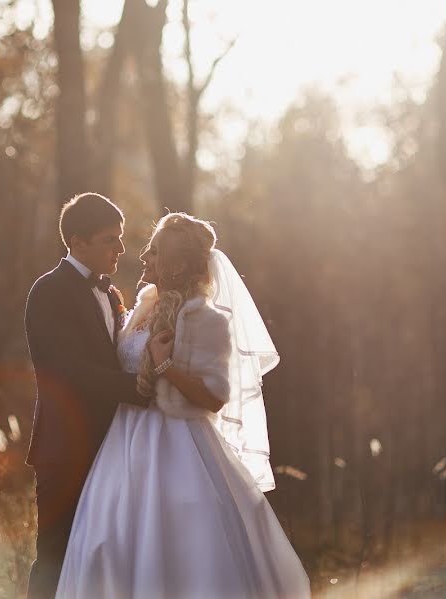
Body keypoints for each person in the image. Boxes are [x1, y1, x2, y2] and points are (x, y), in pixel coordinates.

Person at [56, 212, 311, 598]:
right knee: (107, 541)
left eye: (154, 251)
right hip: (123, 442)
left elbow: (214, 397)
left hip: (178, 444)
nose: (143, 257)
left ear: (175, 265)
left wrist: (165, 367)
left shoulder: (206, 320)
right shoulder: (139, 309)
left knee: (179, 545)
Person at [24, 193, 152, 599]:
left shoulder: (112, 294)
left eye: (120, 238)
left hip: (111, 447)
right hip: (65, 448)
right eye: (108, 239)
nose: (120, 248)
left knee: (100, 563)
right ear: (77, 242)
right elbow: (67, 372)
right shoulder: (48, 292)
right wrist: (139, 388)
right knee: (56, 558)